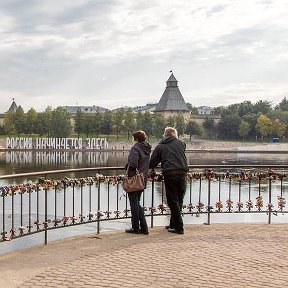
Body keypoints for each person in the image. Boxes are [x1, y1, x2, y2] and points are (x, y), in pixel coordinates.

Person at [149, 127, 188, 234]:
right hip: (183, 173)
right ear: (175, 135)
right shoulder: (182, 143)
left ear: (165, 135)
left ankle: (179, 227)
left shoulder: (161, 146)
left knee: (172, 201)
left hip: (170, 174)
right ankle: (173, 224)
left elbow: (152, 163)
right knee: (179, 200)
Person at [125, 130, 152, 235]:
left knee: (133, 203)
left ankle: (136, 227)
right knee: (137, 202)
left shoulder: (135, 148)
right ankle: (144, 228)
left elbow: (133, 164)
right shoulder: (147, 148)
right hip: (143, 178)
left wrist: (127, 166)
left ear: (135, 139)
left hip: (134, 179)